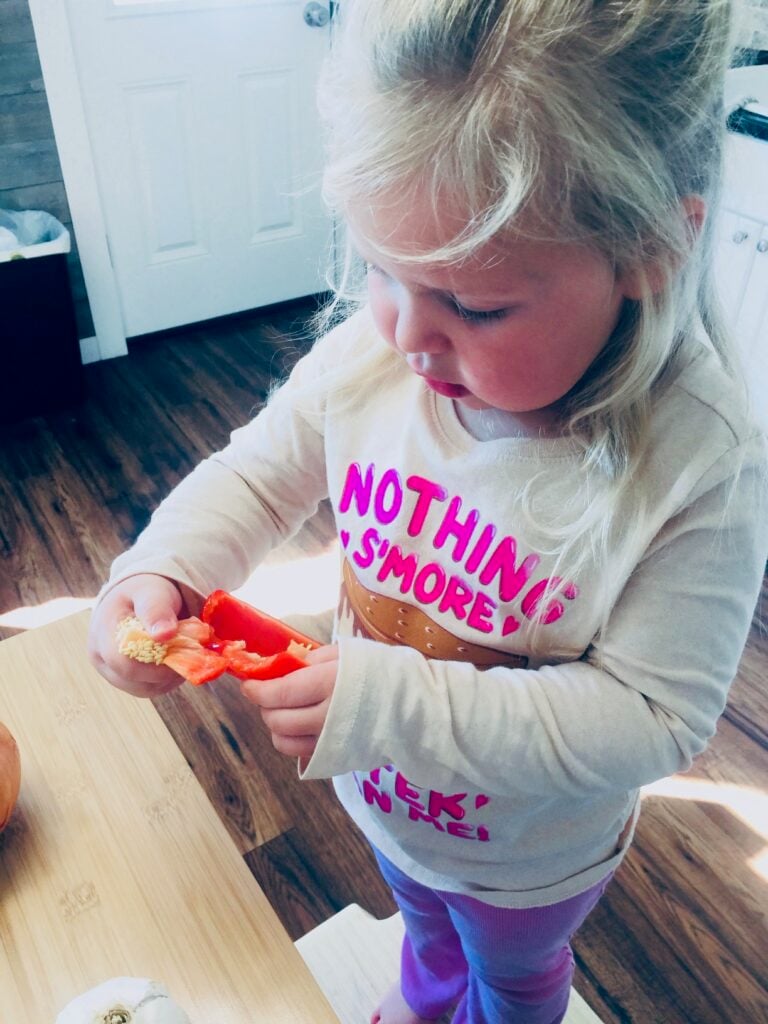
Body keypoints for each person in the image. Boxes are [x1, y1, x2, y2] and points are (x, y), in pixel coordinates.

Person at [88, 2, 768, 1022]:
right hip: (390, 806)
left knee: (514, 974)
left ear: (653, 247)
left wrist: (390, 706)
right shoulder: (373, 358)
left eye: (476, 306)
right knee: (424, 925)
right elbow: (257, 474)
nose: (406, 334)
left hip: (529, 858)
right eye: (380, 269)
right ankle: (427, 992)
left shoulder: (700, 459)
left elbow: (653, 718)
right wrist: (162, 569)